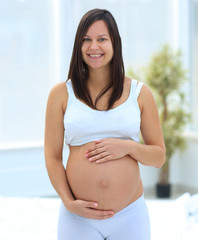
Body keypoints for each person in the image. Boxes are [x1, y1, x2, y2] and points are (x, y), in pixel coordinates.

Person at [44, 8, 165, 240]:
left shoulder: (139, 94)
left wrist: (127, 147)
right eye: (86, 40)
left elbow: (158, 157)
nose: (94, 47)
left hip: (130, 215)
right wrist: (69, 203)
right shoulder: (60, 94)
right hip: (78, 218)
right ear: (78, 46)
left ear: (115, 43)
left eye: (102, 39)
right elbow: (52, 157)